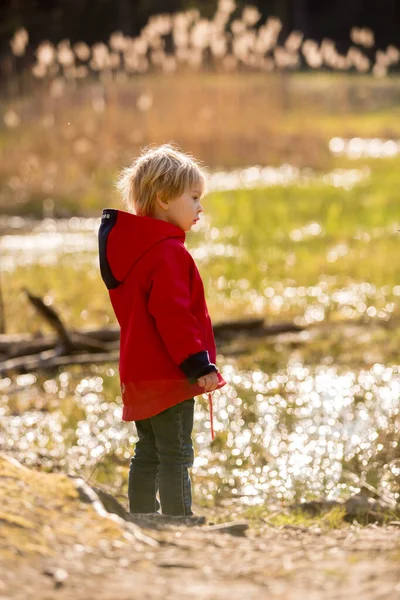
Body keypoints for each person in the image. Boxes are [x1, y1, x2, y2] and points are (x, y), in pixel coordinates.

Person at [98, 144, 226, 516]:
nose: (200, 207)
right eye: (195, 197)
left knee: (148, 452)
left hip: (137, 373)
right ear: (164, 199)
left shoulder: (133, 250)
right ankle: (176, 519)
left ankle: (142, 516)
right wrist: (198, 365)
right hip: (169, 373)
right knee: (176, 454)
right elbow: (172, 315)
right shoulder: (167, 252)